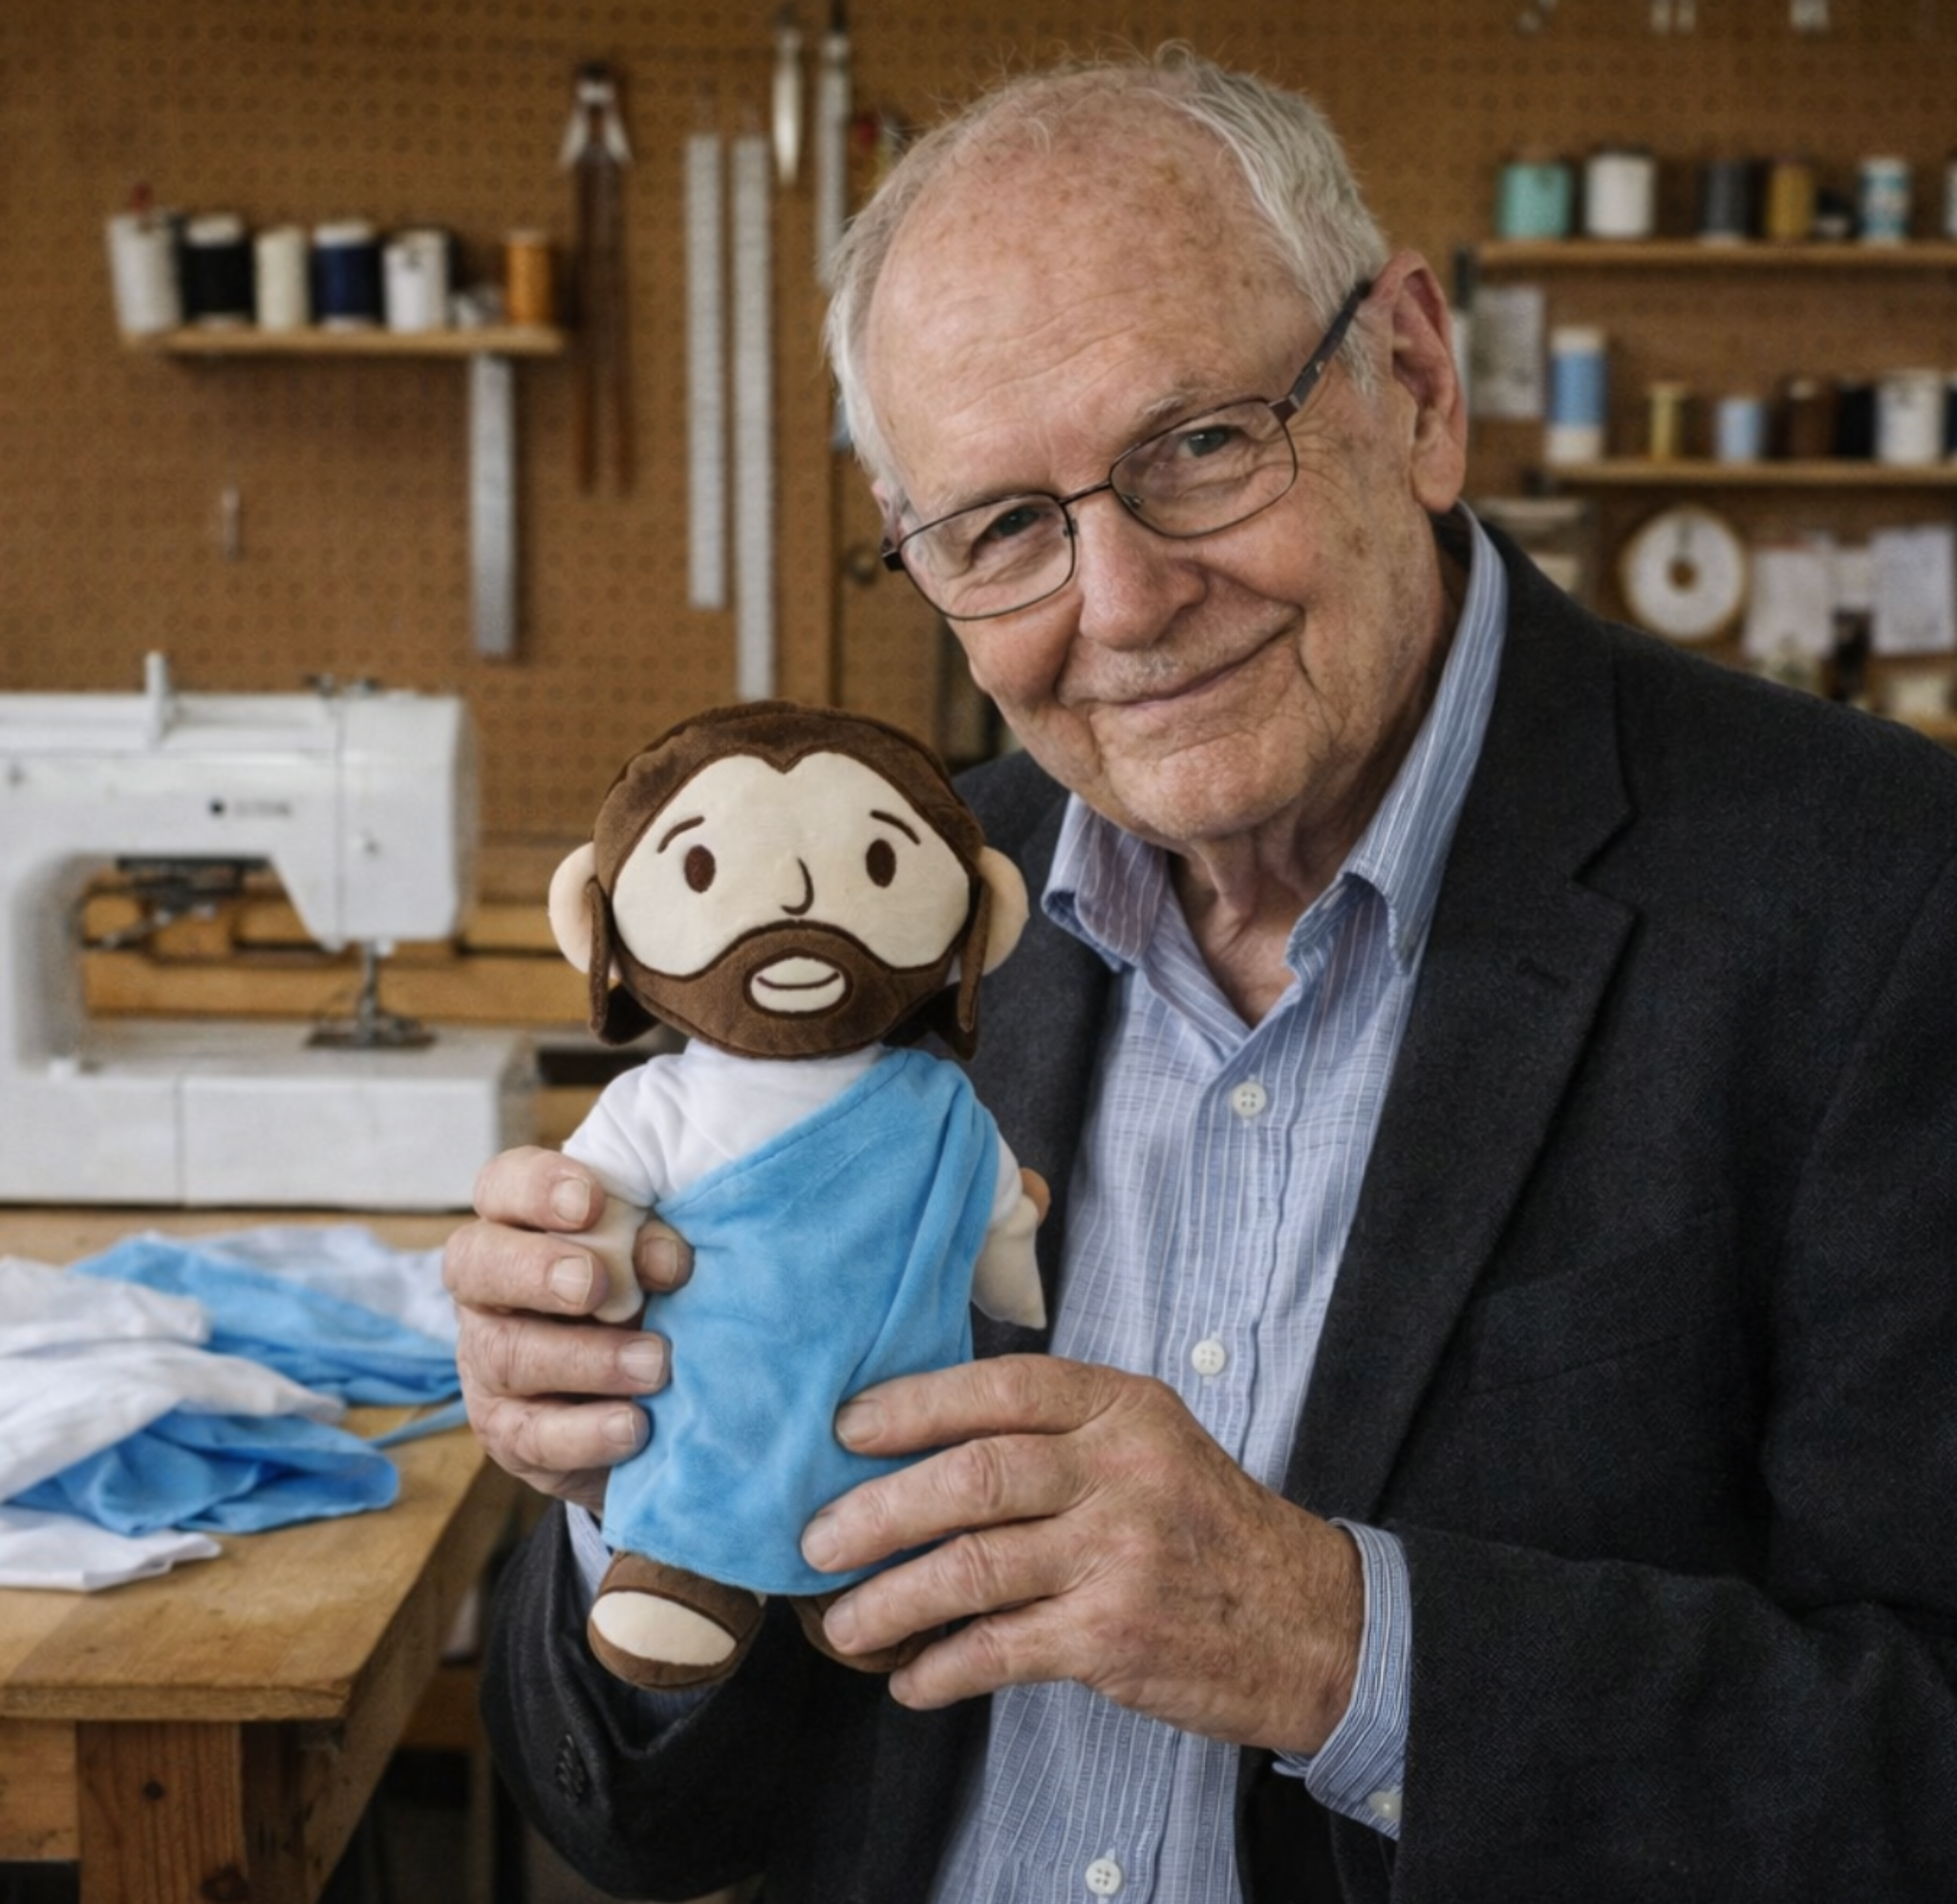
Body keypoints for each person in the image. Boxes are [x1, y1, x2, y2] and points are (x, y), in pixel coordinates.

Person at [444, 46, 1957, 1904]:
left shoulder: (1877, 906)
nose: (1123, 601)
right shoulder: (879, 937)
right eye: (1001, 528)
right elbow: (622, 1820)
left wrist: (1339, 1643)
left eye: (1196, 447)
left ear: (1412, 378)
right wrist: (626, 1484)